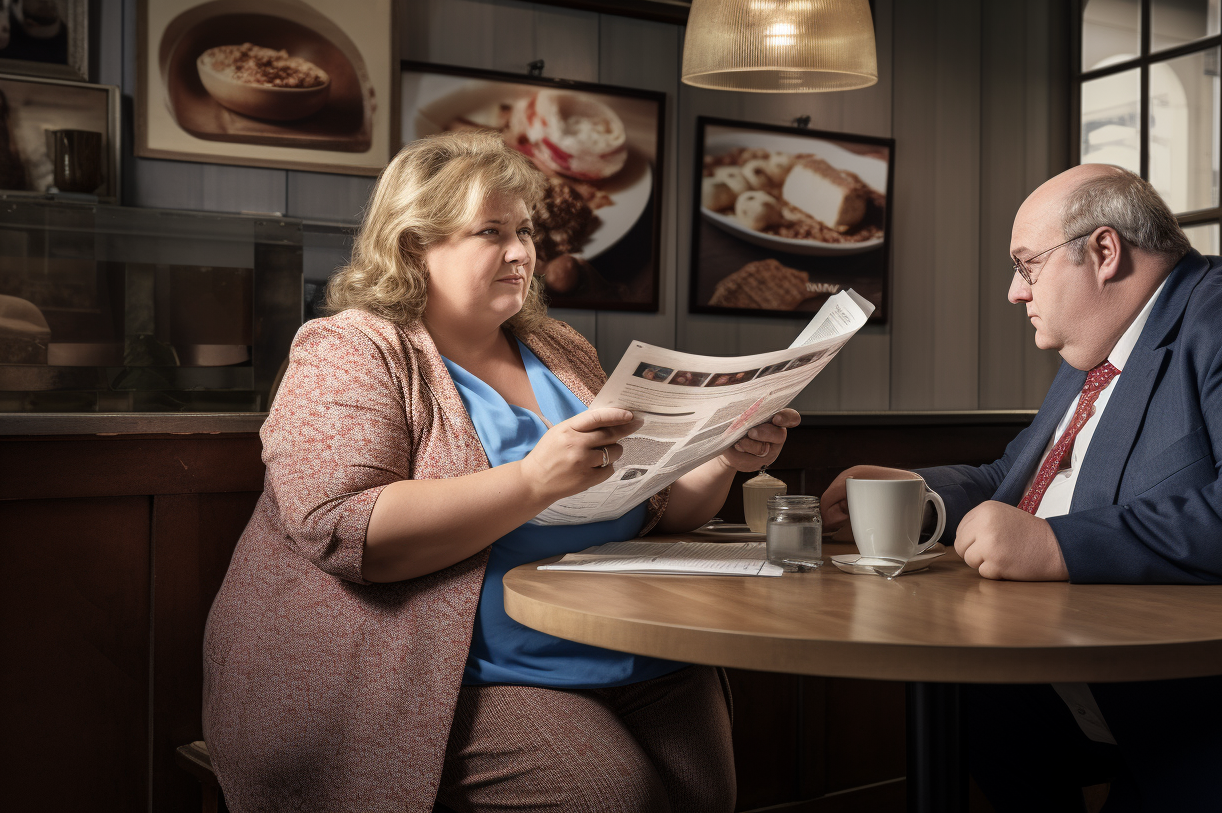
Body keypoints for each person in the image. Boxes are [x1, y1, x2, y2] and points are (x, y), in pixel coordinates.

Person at [822, 164, 1222, 812]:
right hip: (1150, 676)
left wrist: (1058, 548)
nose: (1015, 292)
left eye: (1027, 265)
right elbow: (1012, 485)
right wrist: (915, 489)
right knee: (964, 696)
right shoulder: (1101, 351)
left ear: (1103, 251)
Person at [203, 129, 801, 813]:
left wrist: (723, 456)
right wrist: (532, 483)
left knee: (705, 797)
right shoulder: (350, 347)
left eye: (525, 230)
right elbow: (345, 531)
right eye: (491, 231)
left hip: (630, 644)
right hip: (447, 675)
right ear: (413, 246)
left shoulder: (559, 348)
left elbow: (657, 508)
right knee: (612, 800)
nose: (522, 252)